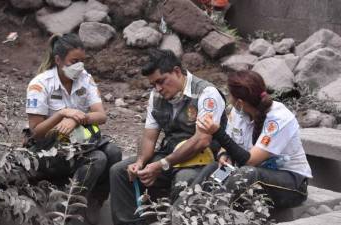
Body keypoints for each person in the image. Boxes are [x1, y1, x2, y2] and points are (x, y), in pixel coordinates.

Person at [109, 49, 227, 225]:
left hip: (203, 159)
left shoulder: (206, 94)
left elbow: (202, 140)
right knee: (119, 171)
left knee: (183, 180)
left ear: (177, 72)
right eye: (153, 84)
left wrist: (161, 165)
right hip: (170, 154)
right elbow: (149, 137)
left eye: (161, 81)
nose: (158, 88)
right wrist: (140, 162)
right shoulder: (156, 96)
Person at [25, 33, 122, 225]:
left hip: (78, 142)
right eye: (74, 61)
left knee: (114, 152)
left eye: (82, 61)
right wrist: (62, 114)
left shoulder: (85, 78)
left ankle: (95, 202)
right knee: (98, 158)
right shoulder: (40, 84)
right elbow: (36, 132)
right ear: (58, 60)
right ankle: (69, 211)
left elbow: (101, 115)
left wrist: (77, 119)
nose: (80, 66)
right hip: (48, 149)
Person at [194, 70, 312, 208]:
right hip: (247, 171)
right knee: (215, 170)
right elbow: (229, 144)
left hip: (291, 184)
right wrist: (224, 154)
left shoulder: (279, 118)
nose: (229, 99)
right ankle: (184, 211)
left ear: (239, 102)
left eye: (229, 95)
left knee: (247, 173)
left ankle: (210, 214)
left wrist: (217, 132)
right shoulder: (238, 111)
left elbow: (250, 161)